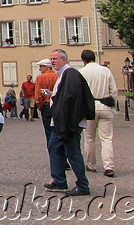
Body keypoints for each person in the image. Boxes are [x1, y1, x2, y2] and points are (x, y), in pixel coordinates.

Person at [44, 49, 95, 197]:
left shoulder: (70, 74)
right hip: (60, 123)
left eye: (55, 58)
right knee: (54, 147)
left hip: (68, 123)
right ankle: (59, 180)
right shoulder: (62, 75)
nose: (52, 61)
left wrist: (69, 124)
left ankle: (83, 185)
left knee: (73, 153)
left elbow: (72, 100)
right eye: (51, 58)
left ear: (64, 60)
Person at [78, 49, 117, 177]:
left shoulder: (82, 72)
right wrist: (112, 102)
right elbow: (114, 90)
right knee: (106, 138)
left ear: (83, 60)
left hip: (89, 107)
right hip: (104, 105)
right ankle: (108, 166)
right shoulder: (105, 70)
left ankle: (91, 165)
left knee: (89, 139)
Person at [33, 58, 58, 146]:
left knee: (48, 132)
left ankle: (52, 152)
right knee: (57, 130)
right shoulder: (57, 76)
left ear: (46, 67)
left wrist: (39, 105)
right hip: (57, 105)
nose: (39, 69)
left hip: (46, 105)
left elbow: (38, 95)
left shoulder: (40, 78)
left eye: (41, 67)